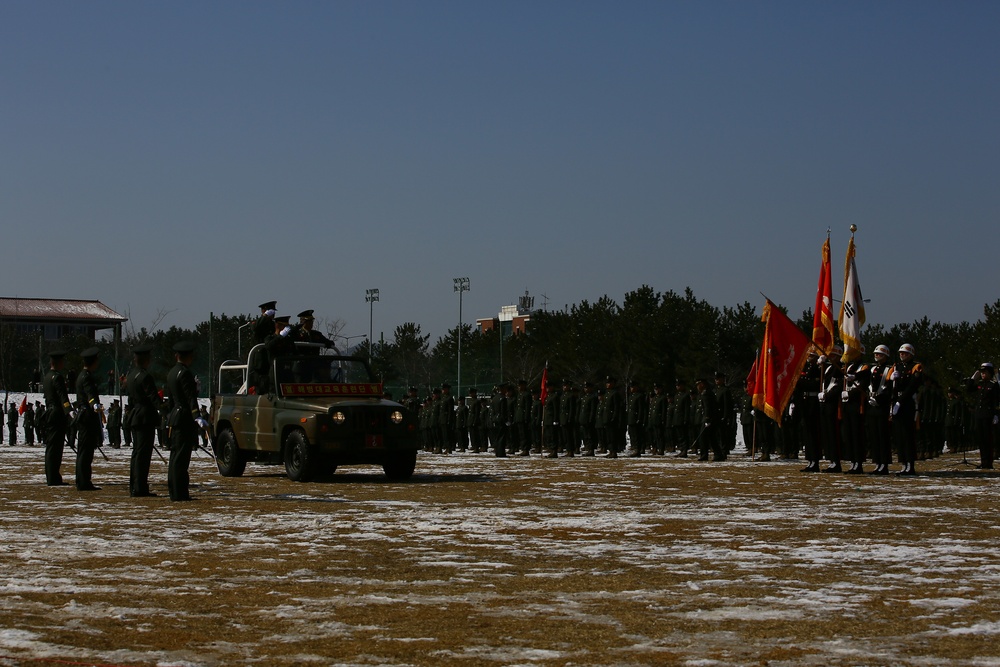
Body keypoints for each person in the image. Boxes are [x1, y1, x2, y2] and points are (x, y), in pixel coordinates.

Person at [166, 341, 205, 501]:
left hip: (175, 415)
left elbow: (171, 399)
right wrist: (197, 416)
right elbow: (190, 397)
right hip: (184, 417)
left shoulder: (172, 372)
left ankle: (174, 490)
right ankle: (180, 492)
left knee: (175, 456)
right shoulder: (185, 373)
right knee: (181, 458)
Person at [127, 343, 162, 497]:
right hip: (145, 416)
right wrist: (163, 408)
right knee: (143, 454)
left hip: (135, 415)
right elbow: (153, 397)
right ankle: (140, 487)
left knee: (136, 453)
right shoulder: (145, 376)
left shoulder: (131, 375)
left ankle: (134, 485)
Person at [74, 347, 104, 491]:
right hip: (87, 415)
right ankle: (83, 481)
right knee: (86, 451)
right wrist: (95, 405)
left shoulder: (82, 375)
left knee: (84, 450)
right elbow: (90, 393)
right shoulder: (86, 377)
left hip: (83, 415)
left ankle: (82, 479)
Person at [890, 343, 923, 475]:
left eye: (904, 353)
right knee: (899, 435)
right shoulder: (896, 367)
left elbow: (912, 387)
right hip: (897, 403)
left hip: (907, 403)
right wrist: (893, 380)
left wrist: (900, 401)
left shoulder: (916, 367)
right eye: (900, 353)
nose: (901, 355)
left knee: (908, 435)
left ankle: (910, 464)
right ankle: (903, 463)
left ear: (910, 354)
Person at [42, 349, 73, 486]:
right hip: (56, 413)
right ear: (58, 362)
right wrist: (68, 410)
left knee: (51, 447)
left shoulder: (47, 376)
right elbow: (62, 396)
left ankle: (51, 475)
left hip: (49, 412)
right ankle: (53, 477)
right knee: (56, 447)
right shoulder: (57, 377)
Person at [865, 345, 894, 475]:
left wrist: (880, 400)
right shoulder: (872, 369)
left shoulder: (889, 370)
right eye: (876, 354)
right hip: (872, 405)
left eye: (879, 354)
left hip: (882, 406)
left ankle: (884, 464)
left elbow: (889, 389)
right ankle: (877, 463)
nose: (877, 356)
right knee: (874, 436)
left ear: (886, 356)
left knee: (882, 436)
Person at [965, 362, 1000, 470]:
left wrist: (996, 415)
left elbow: (996, 401)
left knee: (987, 439)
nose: (983, 375)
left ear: (989, 373)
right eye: (981, 373)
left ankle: (988, 462)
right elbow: (968, 389)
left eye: (984, 373)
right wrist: (972, 379)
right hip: (979, 415)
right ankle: (983, 461)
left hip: (988, 415)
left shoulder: (993, 385)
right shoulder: (980, 384)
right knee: (981, 439)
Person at [694, 378, 720, 461]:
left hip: (708, 419)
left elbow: (707, 407)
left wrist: (707, 419)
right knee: (712, 438)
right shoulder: (706, 393)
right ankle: (718, 454)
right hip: (709, 419)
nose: (697, 387)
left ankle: (705, 455)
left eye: (698, 385)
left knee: (704, 438)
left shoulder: (706, 394)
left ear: (702, 384)